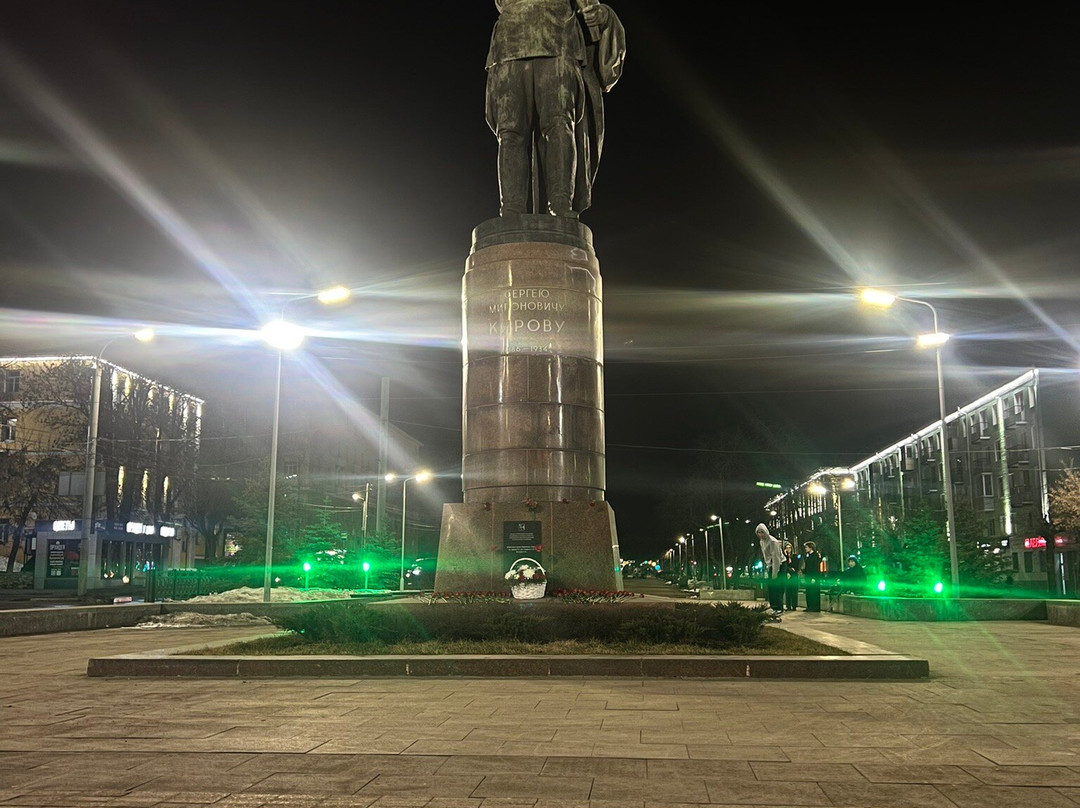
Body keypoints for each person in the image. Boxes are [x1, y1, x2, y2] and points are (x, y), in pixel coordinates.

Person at [486, 0, 626, 217]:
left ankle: (560, 206)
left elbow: (590, 11)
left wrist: (603, 16)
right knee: (511, 132)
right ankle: (511, 211)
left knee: (559, 125)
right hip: (509, 44)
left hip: (558, 39)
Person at [755, 523, 784, 613]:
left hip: (779, 564)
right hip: (770, 565)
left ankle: (779, 608)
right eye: (758, 533)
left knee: (776, 587)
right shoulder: (762, 541)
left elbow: (776, 558)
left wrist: (775, 573)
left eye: (762, 532)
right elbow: (765, 555)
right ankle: (774, 606)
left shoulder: (772, 541)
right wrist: (767, 566)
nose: (760, 534)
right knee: (771, 587)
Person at [800, 541, 824, 612]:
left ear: (811, 548)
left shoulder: (815, 556)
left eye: (806, 547)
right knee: (809, 593)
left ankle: (815, 607)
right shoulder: (809, 556)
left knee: (814, 593)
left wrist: (814, 578)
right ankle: (810, 607)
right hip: (808, 577)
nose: (805, 549)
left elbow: (816, 568)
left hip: (813, 578)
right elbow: (809, 568)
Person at [780, 543, 800, 611]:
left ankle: (794, 606)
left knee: (794, 591)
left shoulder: (795, 556)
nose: (788, 549)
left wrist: (792, 569)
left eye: (789, 548)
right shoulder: (784, 557)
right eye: (786, 548)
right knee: (788, 591)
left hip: (794, 575)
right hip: (787, 575)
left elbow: (796, 566)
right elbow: (784, 565)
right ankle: (788, 606)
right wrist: (786, 556)